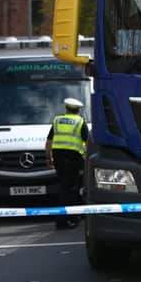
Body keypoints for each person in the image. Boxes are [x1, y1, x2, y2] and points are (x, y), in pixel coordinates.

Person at [45, 98, 88, 229]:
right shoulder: (80, 121)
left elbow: (48, 142)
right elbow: (88, 143)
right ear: (78, 110)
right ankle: (64, 219)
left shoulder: (57, 120)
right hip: (74, 159)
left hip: (58, 158)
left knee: (65, 186)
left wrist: (48, 159)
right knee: (70, 189)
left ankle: (72, 216)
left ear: (66, 108)